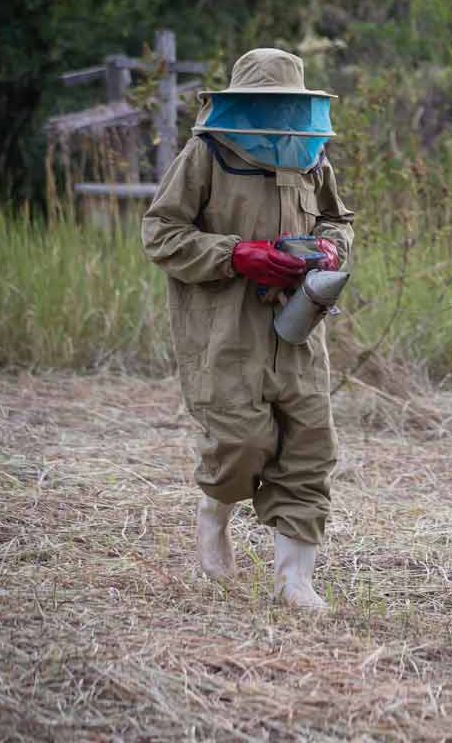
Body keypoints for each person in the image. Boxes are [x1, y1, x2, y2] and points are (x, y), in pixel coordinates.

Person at [141, 48, 354, 609]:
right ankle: (214, 514)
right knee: (240, 441)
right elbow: (161, 232)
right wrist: (238, 254)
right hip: (226, 329)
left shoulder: (312, 156)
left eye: (287, 105)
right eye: (267, 103)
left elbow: (338, 219)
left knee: (310, 445)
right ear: (241, 101)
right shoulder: (207, 151)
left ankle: (294, 582)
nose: (277, 115)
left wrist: (329, 248)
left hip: (300, 327)